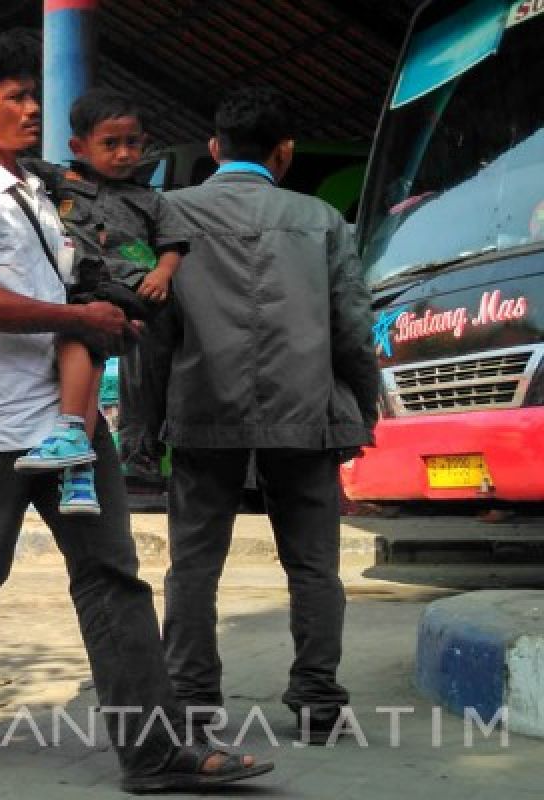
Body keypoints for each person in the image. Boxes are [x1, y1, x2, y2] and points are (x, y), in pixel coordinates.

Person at [0, 31, 270, 792]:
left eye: (33, 94)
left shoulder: (40, 191)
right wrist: (76, 320)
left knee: (112, 576)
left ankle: (155, 752)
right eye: (15, 97)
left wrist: (105, 315)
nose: (32, 107)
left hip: (67, 418)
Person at [159, 86, 380, 744]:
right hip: (305, 411)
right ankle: (317, 700)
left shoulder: (170, 213)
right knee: (313, 565)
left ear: (213, 149)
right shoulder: (320, 220)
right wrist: (359, 412)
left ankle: (193, 700)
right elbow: (353, 330)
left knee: (193, 565)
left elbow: (151, 332)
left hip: (202, 411)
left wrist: (142, 427)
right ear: (284, 153)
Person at [11, 87, 187, 514]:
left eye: (133, 143)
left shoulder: (152, 200)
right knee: (85, 368)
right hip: (79, 287)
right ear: (79, 146)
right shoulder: (57, 178)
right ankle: (80, 473)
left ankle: (72, 433)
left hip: (128, 291)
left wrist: (162, 274)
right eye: (110, 144)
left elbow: (174, 245)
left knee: (79, 337)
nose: (124, 153)